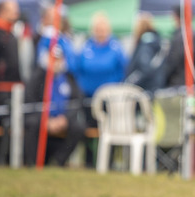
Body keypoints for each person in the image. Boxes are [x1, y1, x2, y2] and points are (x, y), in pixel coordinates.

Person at [72, 13, 128, 167]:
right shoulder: (86, 46)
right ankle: (89, 161)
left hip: (109, 100)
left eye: (103, 29)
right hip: (88, 97)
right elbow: (77, 69)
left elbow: (124, 69)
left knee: (108, 130)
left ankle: (107, 162)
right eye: (97, 29)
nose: (100, 32)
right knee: (88, 130)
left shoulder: (116, 48)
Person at [23, 44, 86, 167]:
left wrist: (65, 119)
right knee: (32, 124)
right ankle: (34, 162)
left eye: (59, 59)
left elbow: (77, 101)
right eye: (53, 59)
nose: (56, 62)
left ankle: (58, 161)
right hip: (42, 118)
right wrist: (45, 119)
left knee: (79, 128)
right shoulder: (38, 77)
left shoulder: (68, 77)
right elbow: (31, 102)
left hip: (62, 118)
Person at [125, 14, 164, 92]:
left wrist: (129, 82)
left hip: (143, 89)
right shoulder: (157, 42)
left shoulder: (145, 45)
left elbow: (145, 69)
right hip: (154, 87)